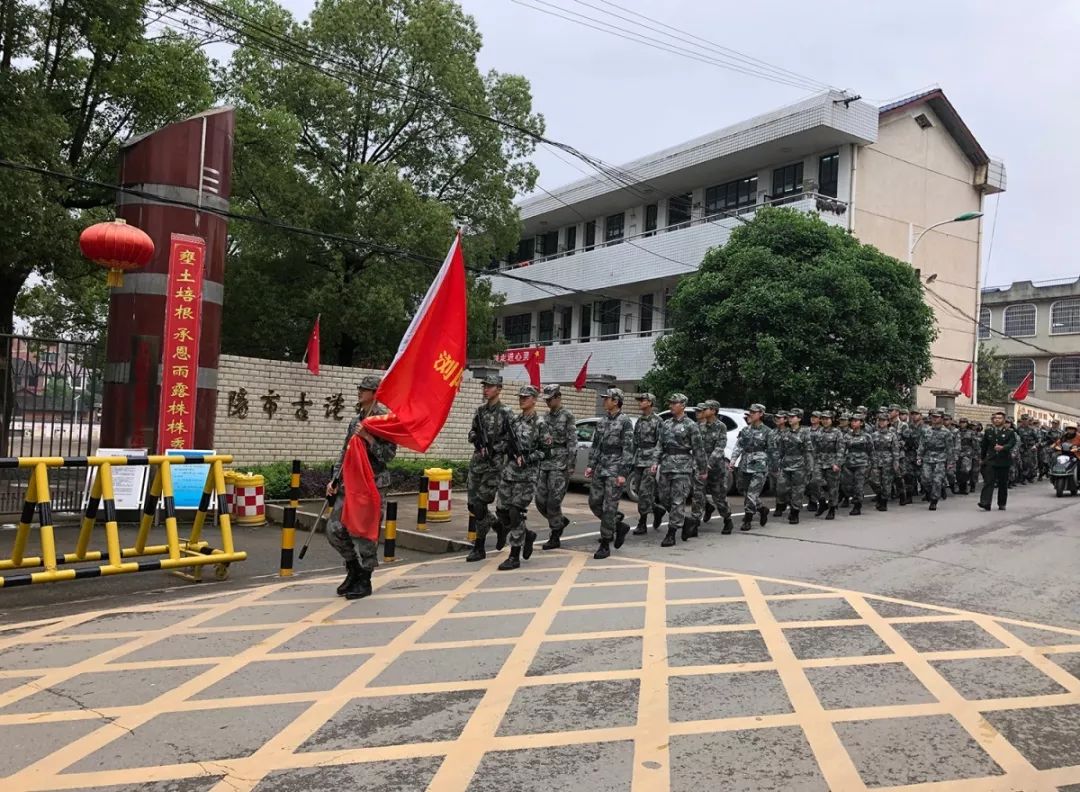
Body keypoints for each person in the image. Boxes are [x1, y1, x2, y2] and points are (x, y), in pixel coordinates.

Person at [326, 374, 397, 600]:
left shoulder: (384, 419)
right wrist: (334, 479)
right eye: (359, 388)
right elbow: (345, 452)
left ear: (375, 393)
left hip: (372, 484)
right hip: (350, 482)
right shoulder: (355, 420)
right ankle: (353, 568)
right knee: (334, 529)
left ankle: (365, 577)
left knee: (365, 532)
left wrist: (369, 439)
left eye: (364, 389)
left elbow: (388, 456)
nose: (360, 392)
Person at [494, 386, 545, 571]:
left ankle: (514, 555)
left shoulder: (540, 424)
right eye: (520, 397)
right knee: (501, 511)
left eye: (525, 397)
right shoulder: (514, 421)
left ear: (534, 399)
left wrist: (528, 458)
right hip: (509, 473)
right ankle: (527, 534)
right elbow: (503, 441)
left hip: (527, 476)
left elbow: (547, 451)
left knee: (515, 512)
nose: (522, 400)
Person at [465, 375, 513, 562]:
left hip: (494, 465)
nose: (486, 389)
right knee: (471, 504)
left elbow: (512, 439)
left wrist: (496, 448)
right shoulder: (479, 411)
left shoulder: (506, 413)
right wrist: (476, 439)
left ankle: (479, 546)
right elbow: (472, 431)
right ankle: (497, 525)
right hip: (478, 462)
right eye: (485, 386)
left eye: (490, 386)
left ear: (499, 389)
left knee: (480, 504)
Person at [585, 387, 634, 559]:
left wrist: (623, 472)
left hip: (615, 466)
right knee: (594, 502)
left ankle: (605, 543)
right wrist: (591, 465)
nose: (604, 401)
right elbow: (596, 444)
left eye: (607, 398)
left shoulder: (625, 421)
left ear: (616, 401)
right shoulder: (602, 420)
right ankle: (617, 525)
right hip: (601, 466)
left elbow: (628, 448)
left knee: (609, 506)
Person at [655, 393, 706, 546]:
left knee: (678, 500)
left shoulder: (691, 425)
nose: (671, 405)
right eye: (670, 403)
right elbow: (659, 444)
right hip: (666, 465)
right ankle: (685, 521)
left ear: (682, 405)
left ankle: (672, 533)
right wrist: (654, 461)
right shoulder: (666, 424)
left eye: (674, 403)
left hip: (683, 467)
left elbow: (698, 449)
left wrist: (702, 469)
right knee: (664, 498)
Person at [535, 384, 577, 550]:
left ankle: (555, 534)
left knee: (553, 501)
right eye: (546, 399)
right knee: (540, 500)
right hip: (545, 462)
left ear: (558, 397)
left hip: (560, 463)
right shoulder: (545, 416)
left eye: (550, 399)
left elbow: (572, 441)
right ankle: (559, 521)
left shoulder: (567, 415)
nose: (547, 402)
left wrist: (571, 464)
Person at [729, 403, 775, 529]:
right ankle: (761, 509)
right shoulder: (745, 430)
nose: (751, 414)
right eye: (750, 412)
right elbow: (739, 446)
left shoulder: (768, 432)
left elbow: (772, 451)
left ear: (761, 414)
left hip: (759, 466)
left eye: (754, 412)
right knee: (743, 490)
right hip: (745, 465)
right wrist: (733, 461)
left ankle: (748, 519)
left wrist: (773, 467)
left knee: (752, 493)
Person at [692, 400, 734, 534]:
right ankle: (694, 523)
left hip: (716, 467)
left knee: (719, 496)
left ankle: (727, 519)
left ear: (714, 411)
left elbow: (719, 448)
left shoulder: (721, 426)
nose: (703, 411)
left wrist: (708, 465)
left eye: (706, 409)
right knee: (698, 494)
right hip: (700, 465)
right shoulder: (698, 426)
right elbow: (695, 447)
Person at [630, 393, 663, 535]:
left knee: (644, 491)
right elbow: (634, 442)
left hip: (650, 459)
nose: (640, 403)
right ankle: (656, 509)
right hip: (639, 459)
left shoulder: (658, 421)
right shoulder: (639, 421)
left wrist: (656, 461)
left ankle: (642, 523)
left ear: (650, 403)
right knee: (638, 489)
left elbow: (660, 443)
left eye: (642, 400)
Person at [774, 408, 814, 524]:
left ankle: (794, 512)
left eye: (793, 417)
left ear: (799, 419)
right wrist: (777, 463)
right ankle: (784, 504)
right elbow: (781, 450)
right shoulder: (785, 432)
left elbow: (808, 451)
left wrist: (810, 468)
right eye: (789, 417)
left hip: (800, 465)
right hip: (786, 464)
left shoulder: (805, 433)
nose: (790, 419)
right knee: (781, 488)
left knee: (798, 490)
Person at [979, 410, 1017, 511]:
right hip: (991, 460)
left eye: (999, 418)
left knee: (1002, 483)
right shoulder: (988, 431)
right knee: (988, 481)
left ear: (1004, 420)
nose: (997, 420)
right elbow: (984, 446)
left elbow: (1012, 443)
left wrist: (1003, 447)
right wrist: (982, 458)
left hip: (1004, 461)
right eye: (995, 418)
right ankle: (985, 502)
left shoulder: (1010, 432)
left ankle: (1002, 503)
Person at [917, 409, 953, 510]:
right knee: (925, 479)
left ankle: (934, 501)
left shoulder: (946, 432)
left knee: (937, 480)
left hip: (940, 458)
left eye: (937, 417)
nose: (934, 419)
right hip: (928, 458)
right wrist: (919, 456)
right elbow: (922, 445)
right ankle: (930, 492)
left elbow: (950, 448)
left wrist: (950, 462)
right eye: (933, 417)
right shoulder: (926, 431)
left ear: (941, 419)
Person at [839, 413, 873, 515]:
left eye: (856, 421)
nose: (854, 423)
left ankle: (857, 505)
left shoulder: (867, 436)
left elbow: (871, 451)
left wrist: (871, 465)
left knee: (858, 486)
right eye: (852, 421)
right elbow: (842, 450)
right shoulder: (847, 436)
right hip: (849, 464)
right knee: (847, 485)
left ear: (861, 423)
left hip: (862, 464)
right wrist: (839, 462)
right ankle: (850, 497)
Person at [812, 411, 843, 519]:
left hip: (832, 462)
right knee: (814, 482)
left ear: (832, 420)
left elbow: (840, 450)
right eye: (823, 418)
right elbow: (814, 449)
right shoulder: (817, 432)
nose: (825, 421)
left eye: (827, 419)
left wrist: (837, 463)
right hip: (819, 462)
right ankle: (822, 502)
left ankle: (832, 508)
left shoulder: (837, 433)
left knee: (833, 487)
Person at [868, 412, 901, 512]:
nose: (881, 422)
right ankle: (879, 495)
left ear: (888, 422)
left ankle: (883, 502)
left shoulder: (892, 435)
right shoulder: (873, 435)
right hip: (875, 461)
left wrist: (896, 462)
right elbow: (870, 449)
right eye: (880, 420)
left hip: (888, 461)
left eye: (884, 420)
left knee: (886, 483)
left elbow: (895, 450)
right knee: (873, 481)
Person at [956, 417, 978, 495]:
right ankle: (961, 488)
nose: (962, 424)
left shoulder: (971, 432)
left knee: (965, 470)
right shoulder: (956, 432)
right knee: (958, 471)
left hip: (967, 453)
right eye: (961, 422)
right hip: (957, 453)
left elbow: (975, 444)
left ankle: (965, 487)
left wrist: (975, 453)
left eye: (964, 422)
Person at [1017, 414, 1039, 484]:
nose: (1024, 421)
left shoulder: (1031, 429)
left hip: (1030, 448)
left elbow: (1037, 439)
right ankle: (1023, 478)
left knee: (1030, 463)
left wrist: (1035, 446)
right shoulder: (1018, 429)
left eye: (1026, 419)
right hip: (1022, 447)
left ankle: (1030, 477)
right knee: (1022, 463)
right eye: (1023, 419)